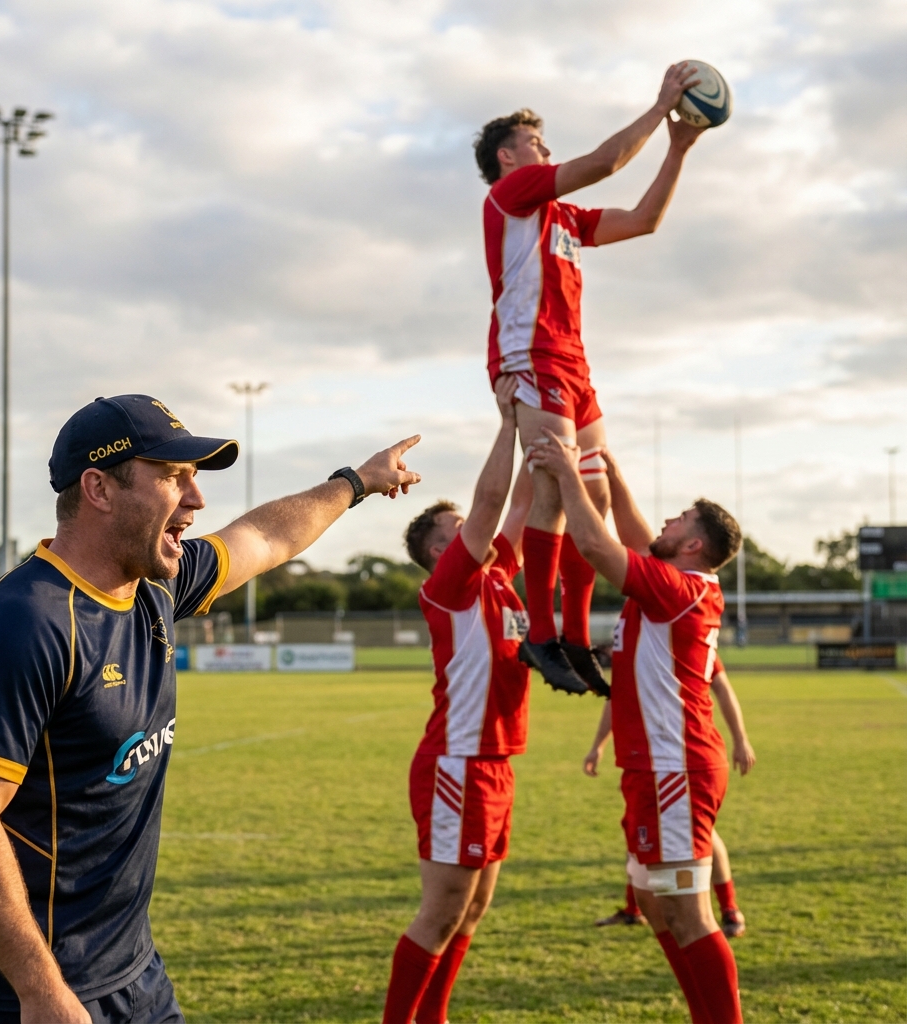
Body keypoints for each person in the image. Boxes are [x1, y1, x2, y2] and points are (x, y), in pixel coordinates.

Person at [0, 394, 421, 1024]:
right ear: (99, 488)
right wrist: (41, 992)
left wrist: (356, 482)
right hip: (20, 995)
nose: (196, 499)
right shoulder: (23, 626)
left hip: (134, 975)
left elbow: (265, 536)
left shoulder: (156, 587)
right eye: (171, 477)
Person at [474, 63, 708, 695]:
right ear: (507, 156)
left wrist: (679, 148)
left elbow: (643, 220)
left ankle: (577, 638)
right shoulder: (513, 195)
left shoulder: (564, 220)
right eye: (534, 142)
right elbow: (605, 161)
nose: (545, 150)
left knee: (596, 493)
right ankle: (544, 637)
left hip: (575, 364)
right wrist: (662, 106)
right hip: (533, 355)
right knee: (553, 483)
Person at [527, 438, 744, 1023]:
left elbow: (597, 544)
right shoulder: (673, 582)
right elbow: (636, 536)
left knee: (687, 911)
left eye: (680, 519)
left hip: (678, 769)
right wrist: (615, 477)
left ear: (694, 545)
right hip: (652, 767)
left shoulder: (679, 590)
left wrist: (571, 473)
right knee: (651, 899)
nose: (666, 520)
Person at [382, 375, 533, 1024]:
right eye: (459, 526)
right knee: (441, 909)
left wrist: (544, 428)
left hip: (495, 763)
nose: (475, 527)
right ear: (441, 552)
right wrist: (509, 422)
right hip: (458, 764)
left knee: (473, 908)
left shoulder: (499, 579)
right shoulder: (450, 587)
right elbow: (496, 498)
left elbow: (523, 504)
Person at [585, 662, 756, 938]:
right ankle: (633, 909)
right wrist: (598, 746)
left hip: (679, 761)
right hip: (641, 761)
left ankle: (730, 909)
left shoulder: (680, 634)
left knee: (704, 838)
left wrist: (741, 739)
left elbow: (722, 687)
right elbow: (616, 698)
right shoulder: (636, 639)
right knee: (635, 828)